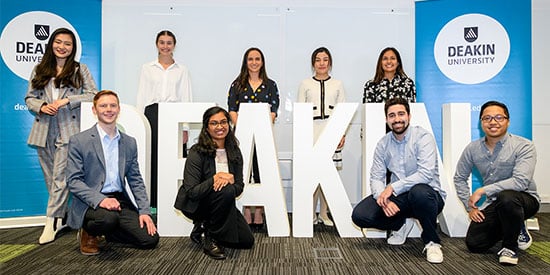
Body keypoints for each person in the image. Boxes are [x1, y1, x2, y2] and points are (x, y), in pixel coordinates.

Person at [24, 27, 98, 245]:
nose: (62, 47)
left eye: (67, 43)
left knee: (60, 177)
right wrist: (41, 106)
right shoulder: (40, 68)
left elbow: (93, 94)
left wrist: (68, 100)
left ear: (73, 48)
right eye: (58, 42)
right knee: (51, 177)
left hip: (69, 129)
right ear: (51, 44)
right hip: (43, 129)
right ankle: (62, 216)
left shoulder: (79, 69)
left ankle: (51, 221)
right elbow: (29, 97)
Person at [351, 98, 446, 264]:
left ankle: (432, 242)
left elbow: (425, 174)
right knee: (360, 216)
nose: (397, 119)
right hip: (400, 197)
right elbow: (376, 176)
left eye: (401, 114)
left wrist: (392, 188)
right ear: (386, 119)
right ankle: (399, 223)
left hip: (428, 195)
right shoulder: (383, 143)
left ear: (409, 116)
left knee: (419, 192)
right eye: (392, 115)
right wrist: (383, 198)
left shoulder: (423, 137)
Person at [66, 90, 159, 255]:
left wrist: (144, 211)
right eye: (103, 106)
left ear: (118, 109)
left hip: (118, 200)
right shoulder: (79, 141)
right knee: (108, 218)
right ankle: (89, 231)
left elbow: (135, 180)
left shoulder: (129, 143)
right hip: (90, 201)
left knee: (150, 239)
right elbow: (73, 181)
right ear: (95, 110)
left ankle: (107, 231)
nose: (108, 109)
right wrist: (101, 200)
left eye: (113, 105)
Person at [454, 100, 540, 266]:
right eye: (487, 118)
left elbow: (521, 182)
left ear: (508, 121)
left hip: (524, 199)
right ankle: (515, 225)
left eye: (499, 117)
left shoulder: (524, 146)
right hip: (495, 203)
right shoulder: (472, 149)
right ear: (481, 123)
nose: (493, 122)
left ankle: (510, 247)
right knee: (475, 243)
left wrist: (483, 190)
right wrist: (469, 206)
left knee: (507, 197)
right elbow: (459, 177)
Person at [174, 106, 254, 260]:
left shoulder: (234, 151)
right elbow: (191, 192)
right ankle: (210, 237)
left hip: (223, 205)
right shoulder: (197, 152)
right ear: (206, 127)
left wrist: (230, 180)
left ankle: (203, 227)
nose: (220, 127)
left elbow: (239, 188)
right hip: (198, 205)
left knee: (246, 241)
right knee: (226, 190)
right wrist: (214, 179)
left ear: (229, 125)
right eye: (214, 123)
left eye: (223, 122)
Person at [136, 30, 193, 209]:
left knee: (174, 158)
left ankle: (175, 202)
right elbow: (142, 96)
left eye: (169, 43)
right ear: (157, 44)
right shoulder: (147, 68)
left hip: (175, 115)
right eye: (162, 42)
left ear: (174, 45)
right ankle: (154, 203)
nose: (165, 46)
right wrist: (140, 125)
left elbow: (186, 98)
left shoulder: (182, 70)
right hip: (152, 114)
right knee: (153, 158)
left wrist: (185, 129)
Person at [227, 47, 280, 229]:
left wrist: (262, 127)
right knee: (242, 172)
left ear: (262, 62)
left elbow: (273, 111)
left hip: (263, 136)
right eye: (251, 59)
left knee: (260, 171)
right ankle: (246, 209)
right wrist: (243, 127)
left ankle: (259, 210)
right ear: (245, 62)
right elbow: (232, 110)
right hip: (242, 135)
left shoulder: (271, 85)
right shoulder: (237, 85)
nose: (254, 62)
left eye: (257, 59)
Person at [297, 47, 345, 227]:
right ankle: (310, 213)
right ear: (313, 63)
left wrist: (341, 133)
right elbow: (300, 110)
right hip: (311, 132)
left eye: (325, 59)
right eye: (318, 60)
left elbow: (342, 109)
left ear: (330, 63)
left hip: (331, 131)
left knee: (328, 174)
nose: (322, 63)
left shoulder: (338, 84)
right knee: (313, 175)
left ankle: (324, 213)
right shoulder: (305, 84)